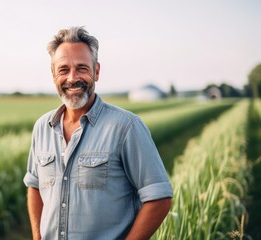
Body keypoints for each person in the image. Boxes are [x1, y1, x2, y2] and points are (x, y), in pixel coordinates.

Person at [23, 26, 173, 240]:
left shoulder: (126, 127)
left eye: (82, 68)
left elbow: (159, 198)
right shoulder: (42, 127)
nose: (72, 78)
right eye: (63, 69)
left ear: (96, 71)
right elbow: (34, 185)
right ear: (53, 74)